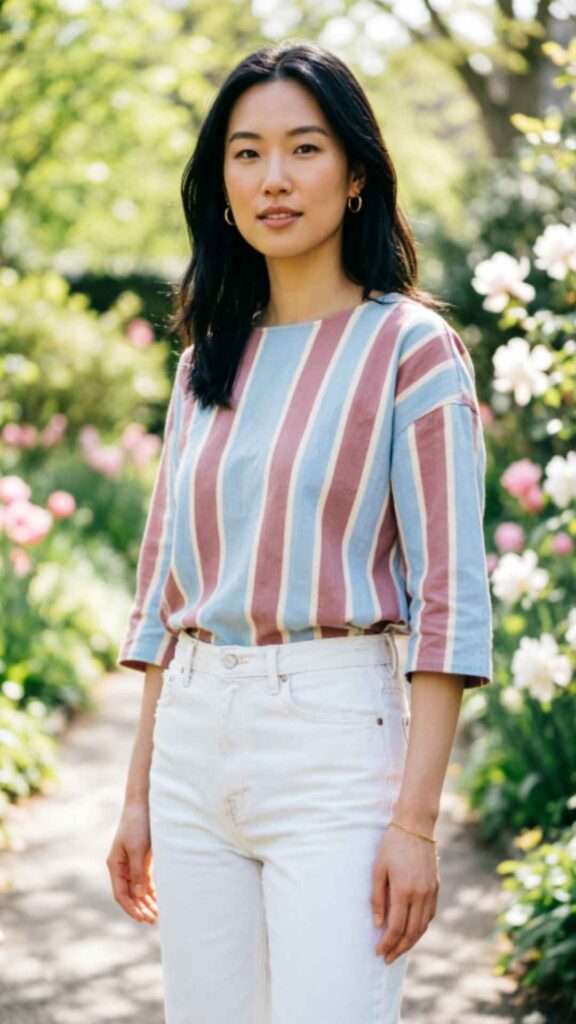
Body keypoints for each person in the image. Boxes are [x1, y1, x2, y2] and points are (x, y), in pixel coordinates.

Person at [106, 39, 493, 1024]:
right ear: (220, 181)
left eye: (305, 148)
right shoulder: (205, 365)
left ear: (356, 173)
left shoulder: (412, 349)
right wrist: (138, 792)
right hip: (194, 743)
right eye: (246, 152)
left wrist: (417, 823)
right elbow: (164, 592)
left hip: (335, 746)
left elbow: (451, 600)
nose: (274, 178)